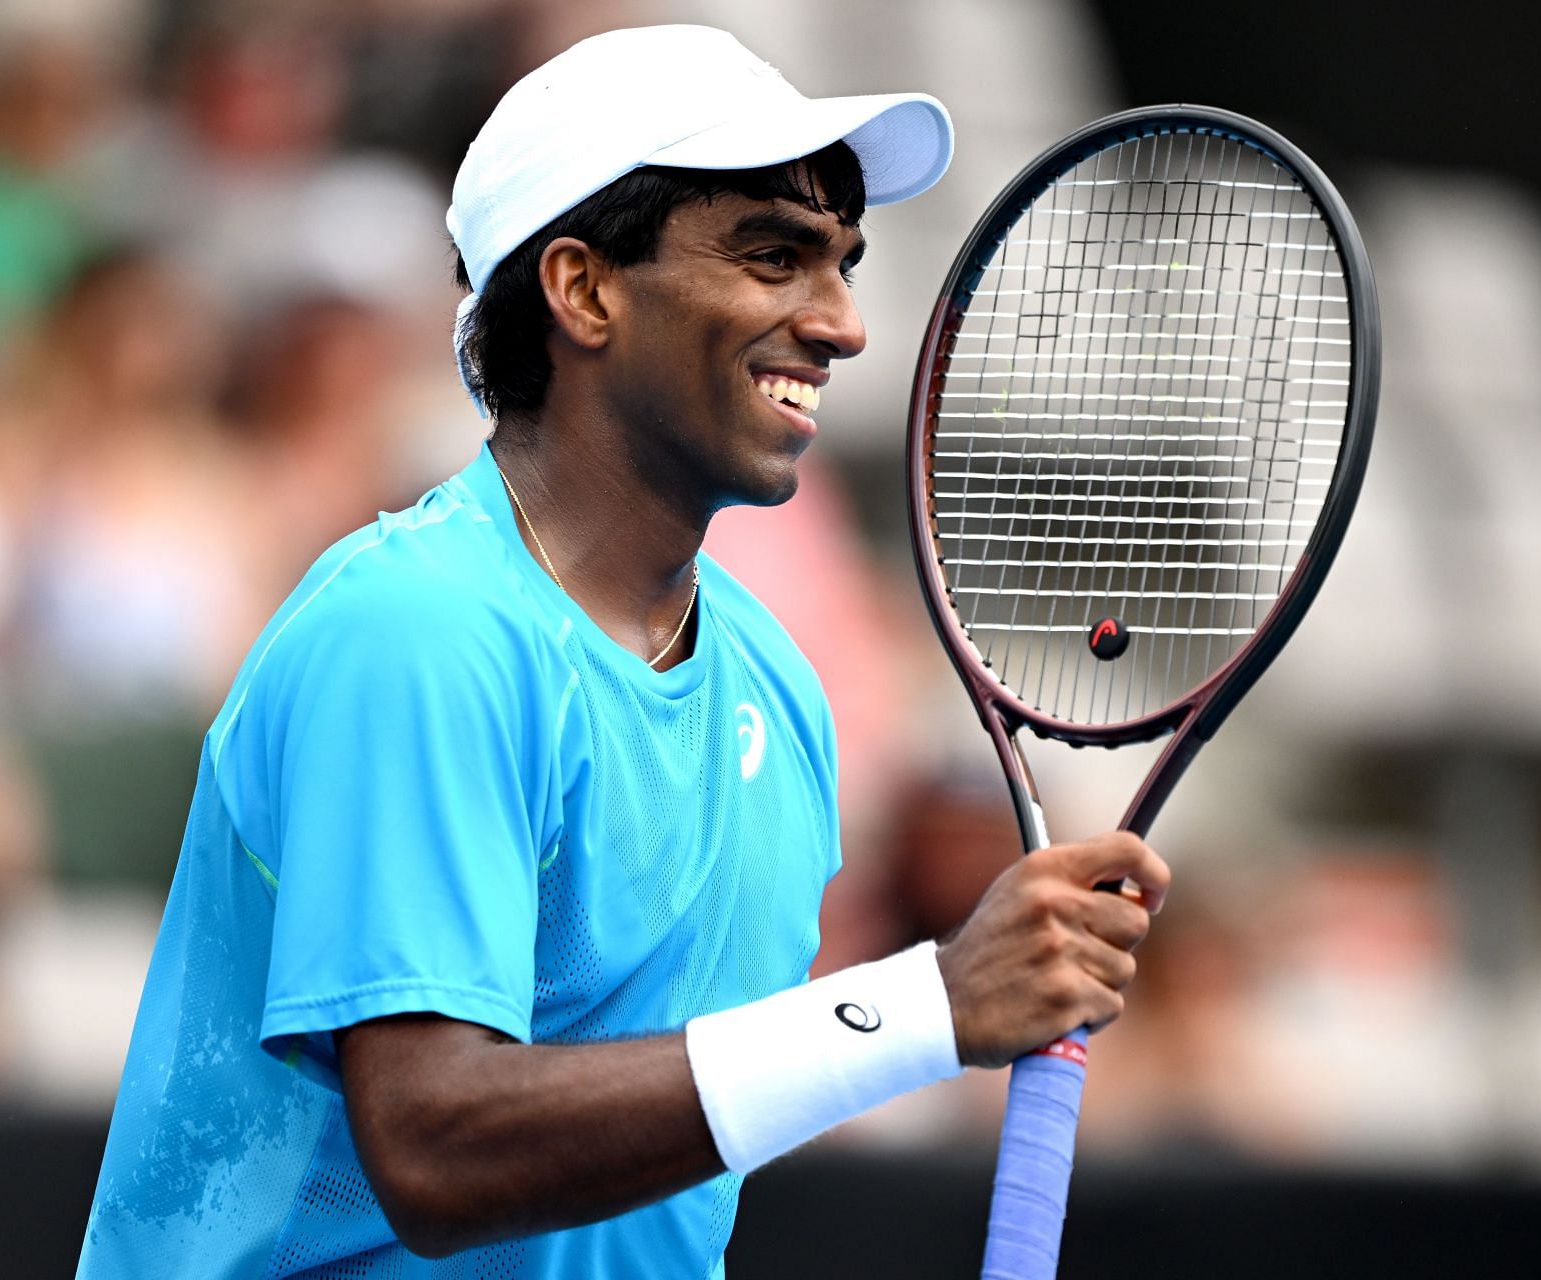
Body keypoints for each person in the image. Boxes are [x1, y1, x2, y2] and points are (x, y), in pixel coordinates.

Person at [79, 25, 1169, 1279]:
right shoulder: (418, 631)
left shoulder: (776, 689)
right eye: (775, 257)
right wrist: (925, 1006)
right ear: (584, 289)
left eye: (844, 267)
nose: (843, 325)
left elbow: (663, 1157)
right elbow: (435, 1144)